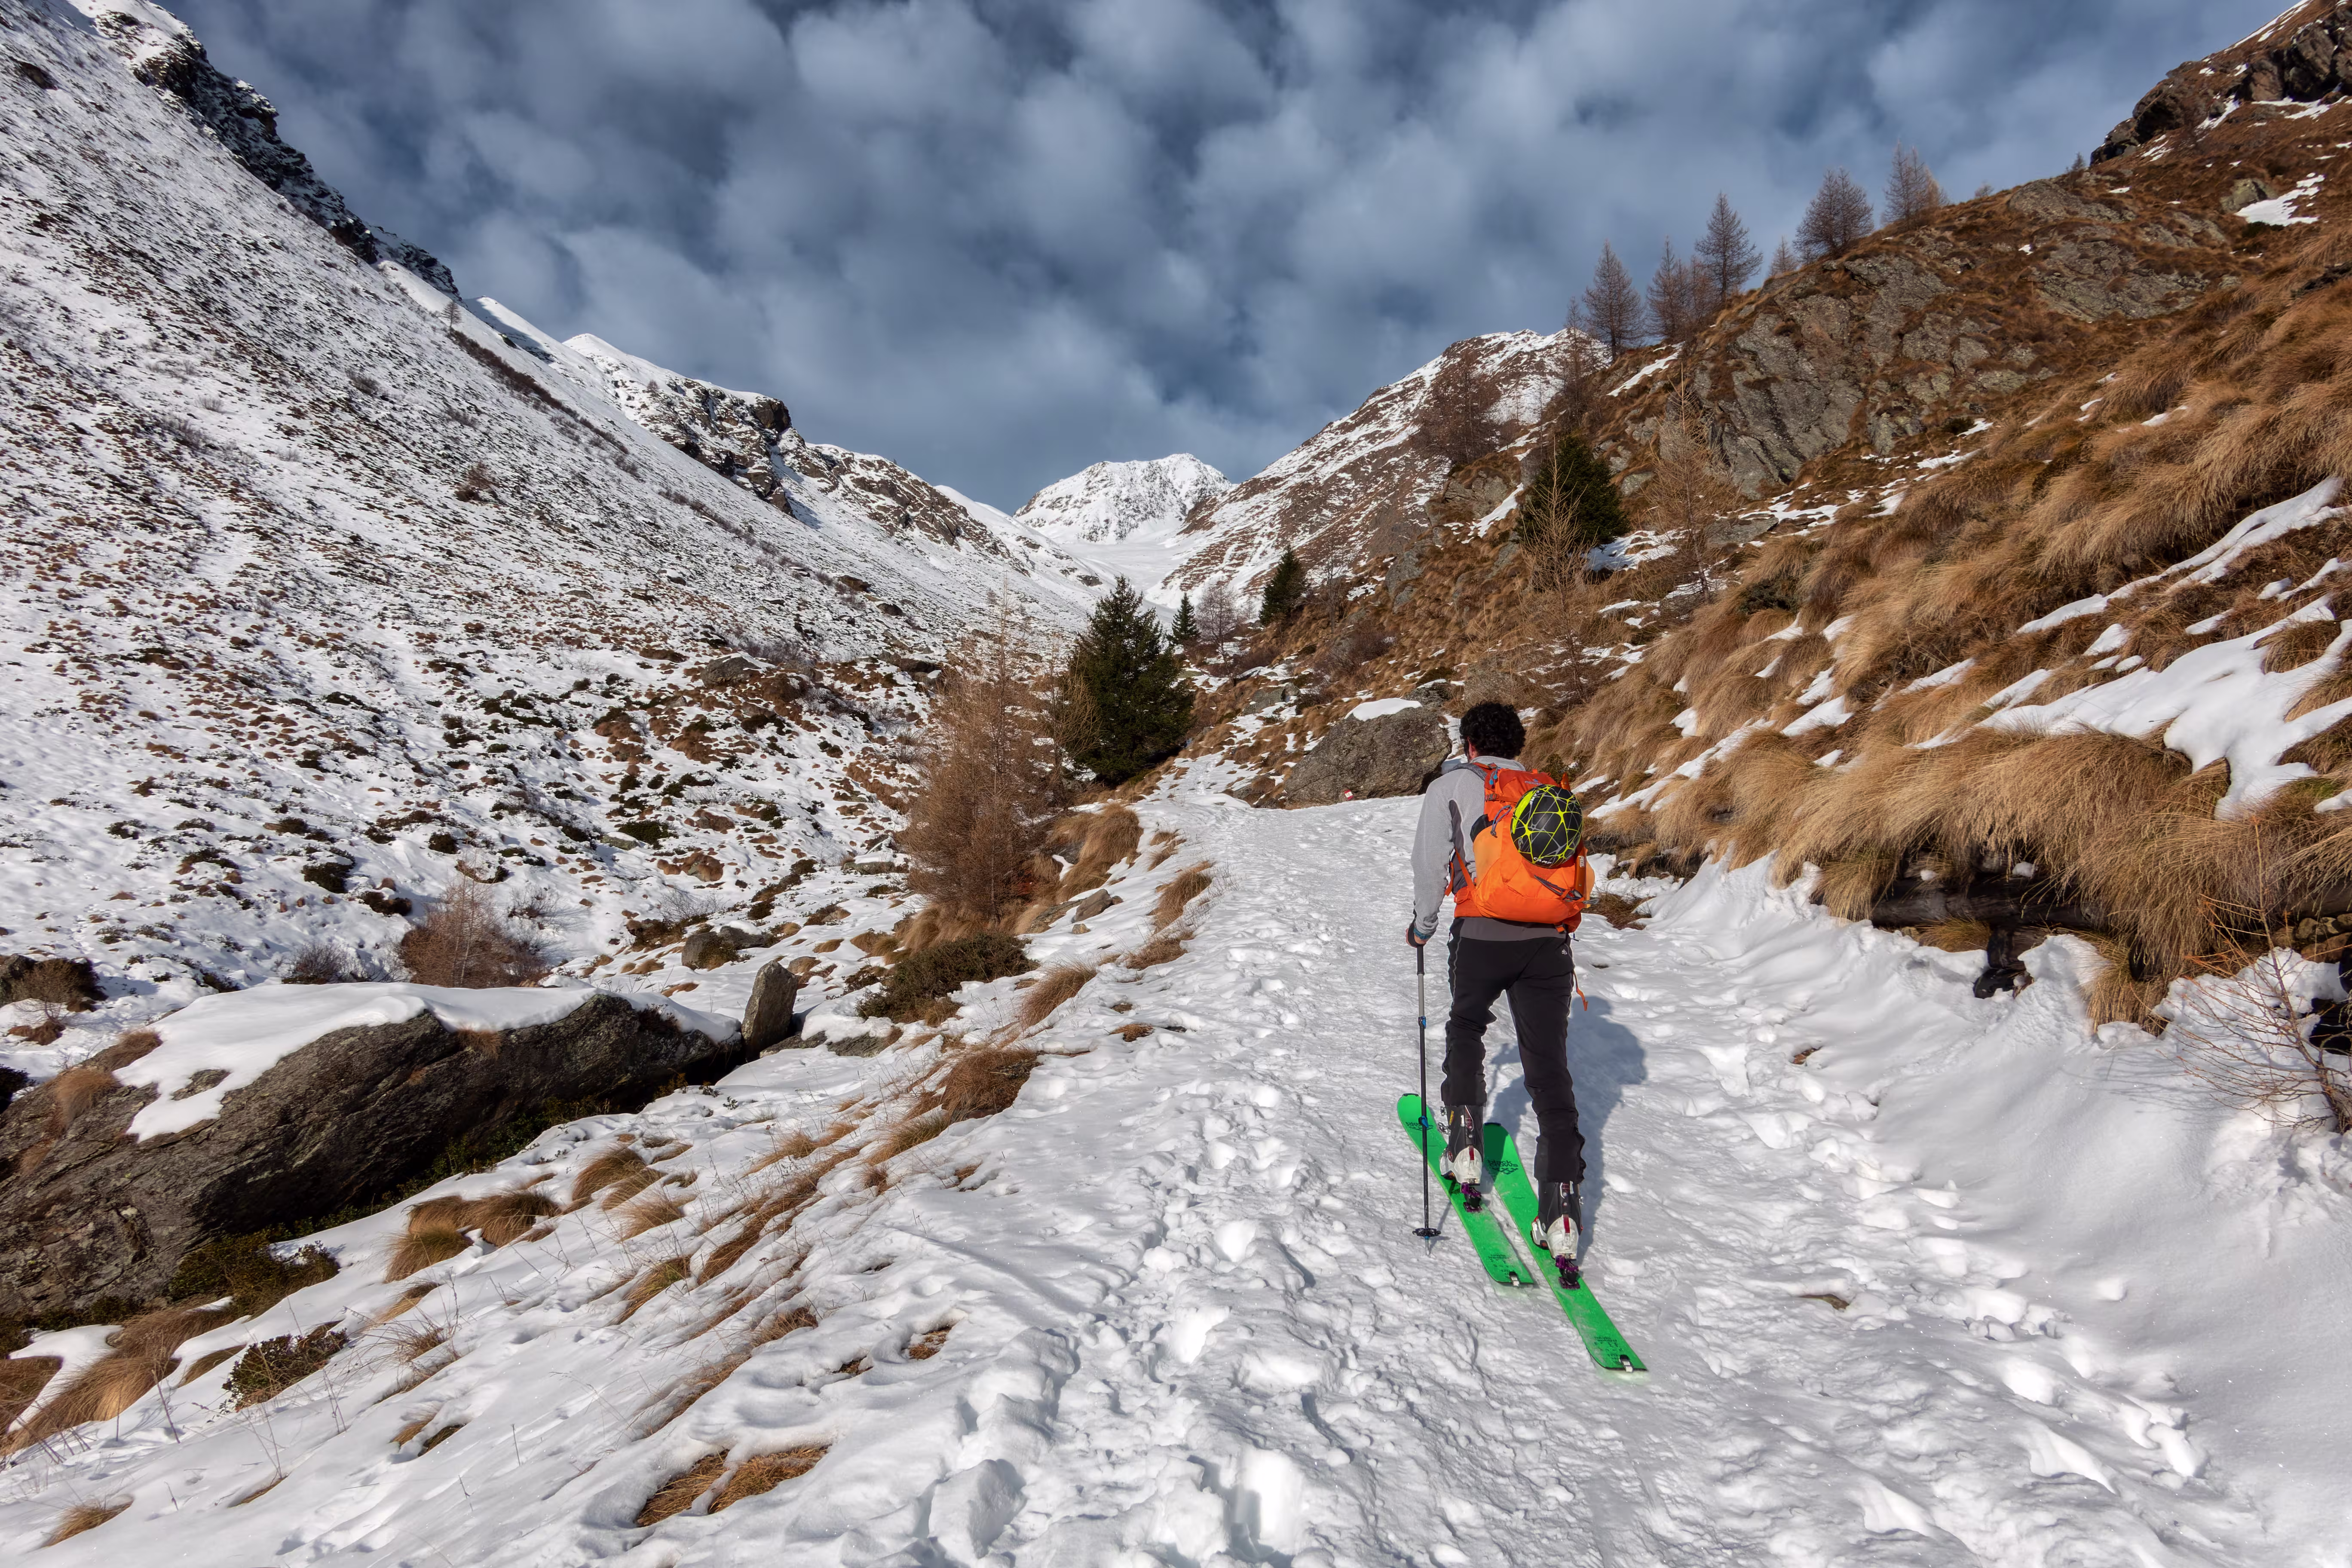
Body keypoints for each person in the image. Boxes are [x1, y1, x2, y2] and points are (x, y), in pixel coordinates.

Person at [1406, 701, 1584, 1261]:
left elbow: (1429, 862)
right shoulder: (1543, 788)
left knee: (1466, 1027)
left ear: (1470, 744)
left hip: (1481, 933)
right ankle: (1561, 1214)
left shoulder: (1453, 785)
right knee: (1549, 1070)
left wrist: (1423, 925)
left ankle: (1465, 1146)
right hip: (1548, 943)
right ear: (1518, 745)